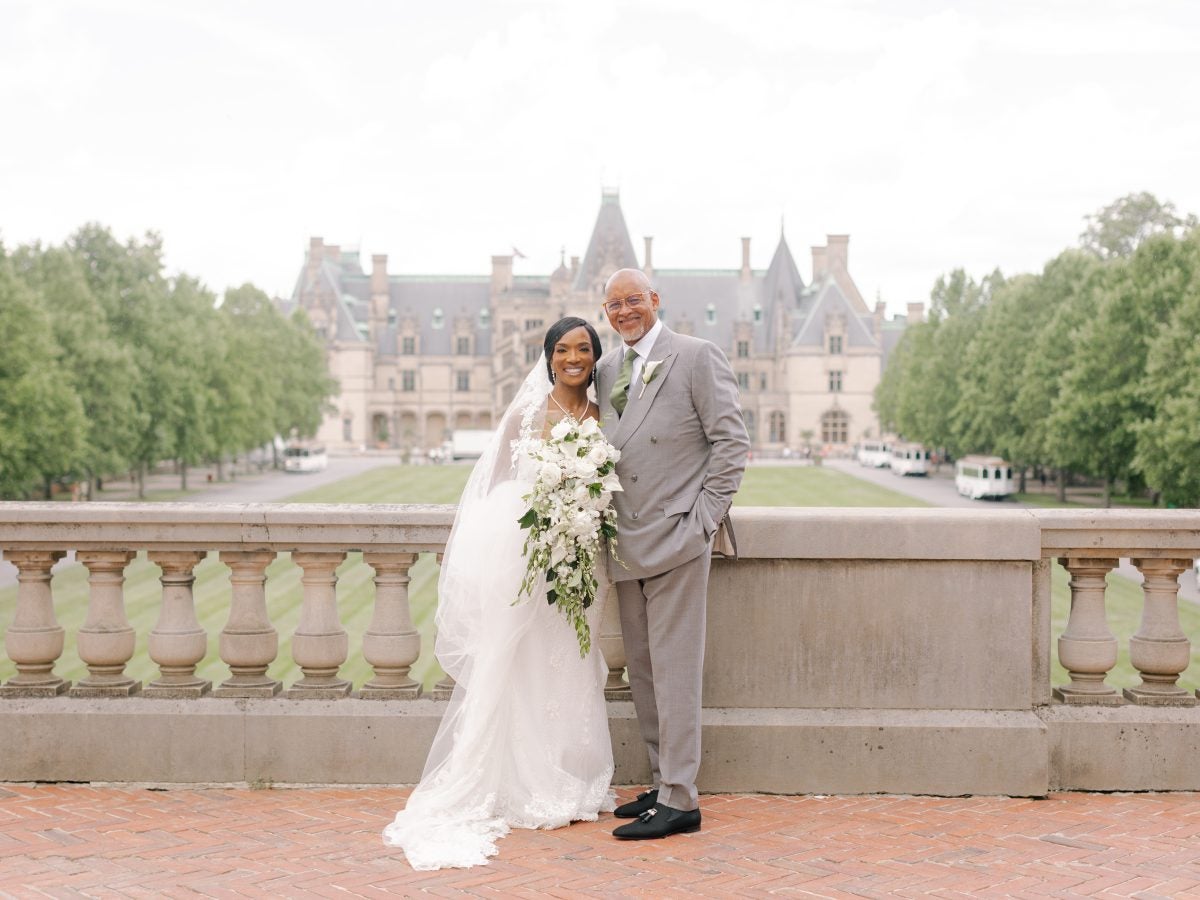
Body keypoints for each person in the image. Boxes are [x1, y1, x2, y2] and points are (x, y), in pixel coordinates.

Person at [383, 317, 616, 870]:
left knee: (570, 662)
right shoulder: (529, 410)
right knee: (523, 661)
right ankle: (520, 781)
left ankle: (570, 777)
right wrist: (542, 522)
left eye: (583, 349)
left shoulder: (604, 411)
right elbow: (494, 485)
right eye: (562, 350)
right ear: (548, 356)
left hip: (581, 555)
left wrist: (580, 515)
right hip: (531, 553)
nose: (572, 358)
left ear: (596, 355)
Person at [597, 268, 750, 840]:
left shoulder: (696, 355)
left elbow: (731, 443)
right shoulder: (609, 368)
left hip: (677, 538)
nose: (624, 311)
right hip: (625, 539)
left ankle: (683, 798)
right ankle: (664, 784)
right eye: (614, 304)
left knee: (677, 671)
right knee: (644, 670)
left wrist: (703, 520)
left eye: (633, 300)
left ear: (655, 301)